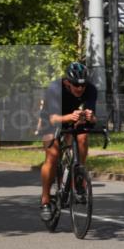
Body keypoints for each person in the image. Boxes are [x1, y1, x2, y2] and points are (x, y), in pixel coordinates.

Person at [38, 62, 97, 220]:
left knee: (83, 137)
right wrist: (70, 117)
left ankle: (79, 176)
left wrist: (91, 117)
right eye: (76, 85)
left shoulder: (91, 89)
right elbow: (53, 119)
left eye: (83, 85)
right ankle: (45, 200)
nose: (80, 89)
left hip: (73, 119)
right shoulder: (55, 89)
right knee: (53, 155)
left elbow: (93, 117)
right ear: (67, 82)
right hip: (51, 120)